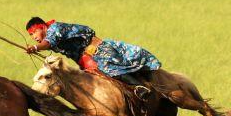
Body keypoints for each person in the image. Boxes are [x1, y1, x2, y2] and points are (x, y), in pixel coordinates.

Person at [25, 17, 161, 94]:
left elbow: (47, 43)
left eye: (34, 32)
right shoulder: (49, 36)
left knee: (108, 68)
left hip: (98, 50)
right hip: (85, 59)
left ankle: (139, 87)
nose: (33, 37)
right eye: (30, 35)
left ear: (42, 27)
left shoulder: (55, 29)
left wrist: (35, 47)